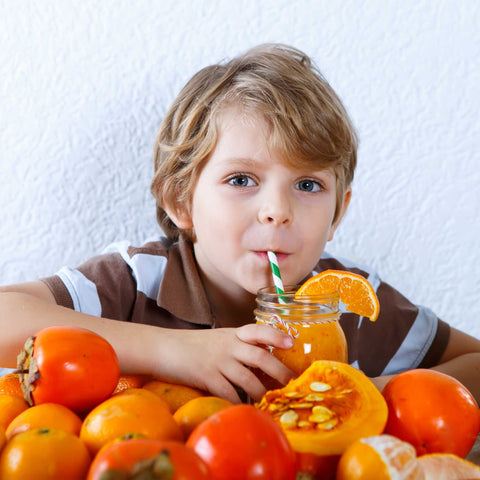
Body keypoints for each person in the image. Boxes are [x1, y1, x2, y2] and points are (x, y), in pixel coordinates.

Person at [1, 44, 479, 404]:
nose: (277, 210)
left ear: (338, 212)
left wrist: (362, 394)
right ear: (180, 201)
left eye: (308, 186)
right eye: (242, 178)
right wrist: (173, 351)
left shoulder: (347, 299)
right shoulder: (134, 282)